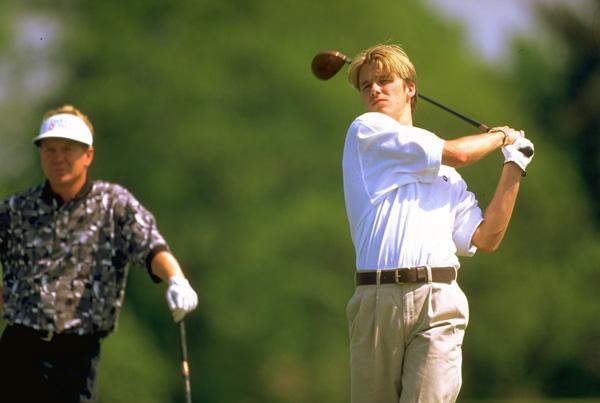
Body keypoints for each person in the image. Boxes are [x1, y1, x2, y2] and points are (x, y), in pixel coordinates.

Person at [342, 44, 534, 402]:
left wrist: (514, 165)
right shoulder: (366, 131)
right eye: (366, 85)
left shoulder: (447, 178)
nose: (374, 90)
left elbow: (485, 238)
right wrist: (501, 137)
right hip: (376, 301)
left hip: (438, 301)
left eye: (385, 81)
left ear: (410, 88)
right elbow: (460, 153)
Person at [0, 104, 199, 402]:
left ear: (88, 155)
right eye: (50, 149)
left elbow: (151, 246)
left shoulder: (113, 205)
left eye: (68, 149)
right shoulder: (17, 208)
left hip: (76, 355)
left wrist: (176, 278)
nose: (58, 158)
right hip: (19, 348)